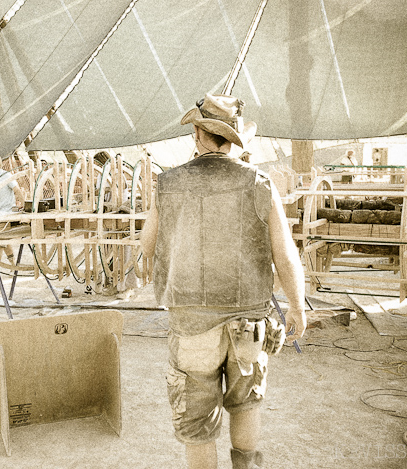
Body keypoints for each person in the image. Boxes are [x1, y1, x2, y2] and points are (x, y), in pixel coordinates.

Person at [141, 93, 307, 469]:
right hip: (248, 319)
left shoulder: (169, 183)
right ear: (234, 139)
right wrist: (297, 306)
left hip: (191, 322)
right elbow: (285, 253)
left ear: (197, 132)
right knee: (246, 403)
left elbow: (147, 246)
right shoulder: (259, 181)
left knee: (198, 424)